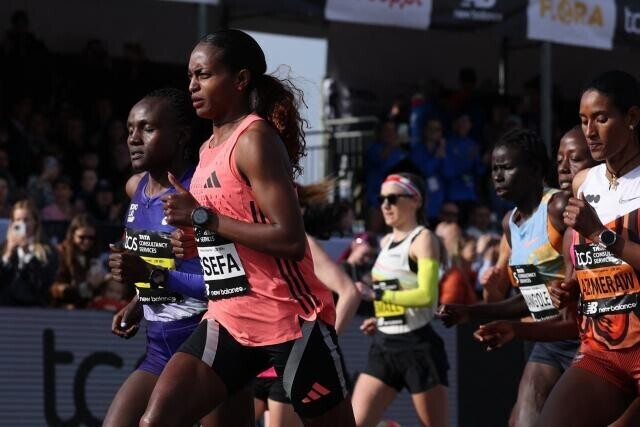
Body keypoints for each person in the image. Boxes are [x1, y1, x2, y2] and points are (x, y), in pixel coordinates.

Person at [142, 30, 355, 426]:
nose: (192, 86)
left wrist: (203, 218)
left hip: (289, 319)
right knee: (156, 421)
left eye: (204, 75)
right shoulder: (207, 149)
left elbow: (290, 239)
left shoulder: (255, 140)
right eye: (190, 76)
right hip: (228, 316)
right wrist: (194, 241)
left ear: (240, 79)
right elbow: (228, 230)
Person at [437, 128, 577, 427]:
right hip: (542, 340)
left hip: (579, 336)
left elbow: (579, 278)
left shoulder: (558, 207)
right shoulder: (509, 223)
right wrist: (472, 310)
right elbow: (531, 299)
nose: (498, 177)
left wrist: (474, 312)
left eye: (507, 168)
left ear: (535, 170)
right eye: (494, 169)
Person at [103, 88, 211, 427]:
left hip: (207, 344)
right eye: (130, 129)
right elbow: (164, 264)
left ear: (181, 136)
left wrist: (148, 274)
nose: (133, 138)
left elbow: (221, 285)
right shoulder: (135, 189)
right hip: (159, 347)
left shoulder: (200, 192)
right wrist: (139, 302)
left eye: (147, 129)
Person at [540, 71, 640, 426]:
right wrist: (573, 287)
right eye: (583, 121)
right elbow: (592, 263)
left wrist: (599, 233)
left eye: (601, 118)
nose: (590, 131)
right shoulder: (585, 182)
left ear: (631, 117)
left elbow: (601, 241)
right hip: (602, 350)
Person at [351, 172, 449, 427]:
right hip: (384, 344)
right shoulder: (385, 241)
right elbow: (398, 289)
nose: (385, 205)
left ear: (416, 201)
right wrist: (382, 317)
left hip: (417, 345)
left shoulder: (423, 239)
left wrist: (378, 295)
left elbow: (427, 296)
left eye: (393, 198)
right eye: (382, 199)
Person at [0, 199, 57, 306]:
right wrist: (8, 253)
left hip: (32, 308)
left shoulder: (46, 251)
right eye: (17, 220)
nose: (22, 224)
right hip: (6, 308)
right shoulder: (3, 248)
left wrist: (27, 252)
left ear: (35, 222)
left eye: (26, 220)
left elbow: (40, 283)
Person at [50, 213, 106, 308]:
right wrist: (88, 286)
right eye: (82, 237)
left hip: (89, 308)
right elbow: (56, 289)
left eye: (91, 238)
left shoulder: (94, 255)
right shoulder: (61, 254)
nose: (87, 241)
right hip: (64, 309)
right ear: (72, 235)